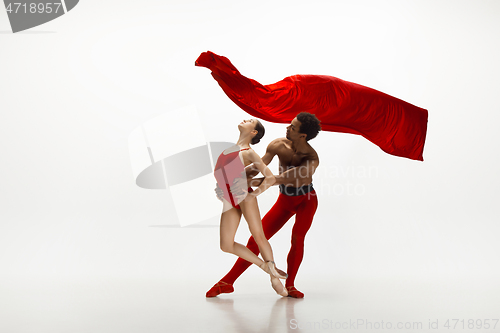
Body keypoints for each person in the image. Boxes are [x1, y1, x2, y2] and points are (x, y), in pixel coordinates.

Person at [207, 112, 321, 298]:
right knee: (255, 240)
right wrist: (233, 179)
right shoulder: (278, 144)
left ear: (303, 135)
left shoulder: (311, 158)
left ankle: (290, 285)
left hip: (306, 200)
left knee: (297, 238)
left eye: (292, 127)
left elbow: (285, 177)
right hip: (285, 200)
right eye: (289, 124)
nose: (287, 128)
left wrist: (250, 184)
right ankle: (227, 282)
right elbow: (257, 166)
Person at [214, 118, 288, 296]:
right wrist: (219, 188)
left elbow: (270, 178)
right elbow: (222, 176)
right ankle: (265, 266)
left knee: (258, 236)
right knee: (226, 245)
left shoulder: (249, 152)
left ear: (253, 132)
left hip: (245, 197)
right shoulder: (228, 150)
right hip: (229, 199)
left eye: (250, 121)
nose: (245, 119)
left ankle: (275, 280)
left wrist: (254, 194)